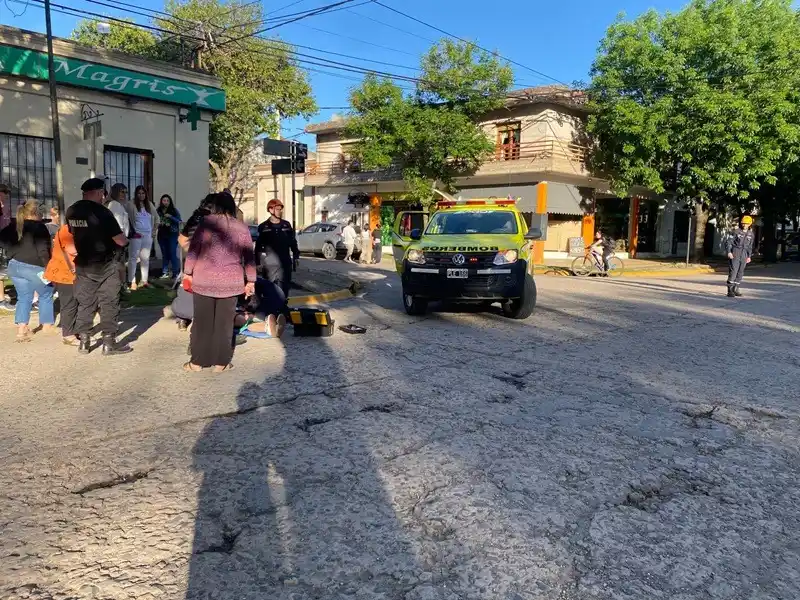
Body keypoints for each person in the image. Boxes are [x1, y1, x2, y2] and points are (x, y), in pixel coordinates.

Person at [182, 193, 256, 373]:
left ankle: (197, 362)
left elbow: (193, 251)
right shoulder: (241, 228)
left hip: (204, 281)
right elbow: (249, 257)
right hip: (230, 283)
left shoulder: (205, 224)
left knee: (202, 323)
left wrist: (188, 272)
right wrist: (250, 281)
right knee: (224, 325)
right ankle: (221, 363)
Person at [68, 177, 131, 355]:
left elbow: (72, 234)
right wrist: (126, 242)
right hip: (105, 264)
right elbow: (120, 239)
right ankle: (109, 342)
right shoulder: (102, 212)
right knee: (108, 302)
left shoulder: (72, 210)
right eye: (102, 193)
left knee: (85, 303)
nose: (104, 197)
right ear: (98, 192)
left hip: (83, 264)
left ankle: (84, 342)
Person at [0, 200, 54, 342]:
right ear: (36, 213)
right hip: (35, 266)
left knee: (24, 297)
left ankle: (22, 329)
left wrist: (11, 251)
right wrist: (48, 267)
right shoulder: (40, 227)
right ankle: (47, 325)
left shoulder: (14, 225)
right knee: (46, 293)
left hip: (14, 266)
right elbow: (43, 250)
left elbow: (2, 239)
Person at [255, 199, 299, 299]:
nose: (280, 211)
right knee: (270, 291)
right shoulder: (263, 227)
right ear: (271, 210)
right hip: (270, 265)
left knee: (284, 291)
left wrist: (296, 256)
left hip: (285, 264)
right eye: (278, 209)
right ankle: (272, 312)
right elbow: (258, 247)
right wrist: (258, 263)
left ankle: (283, 312)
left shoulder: (286, 225)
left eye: (281, 209)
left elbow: (293, 242)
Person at [44, 220, 79, 346]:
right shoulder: (67, 230)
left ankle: (73, 331)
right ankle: (68, 335)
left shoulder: (71, 229)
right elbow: (73, 250)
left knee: (73, 302)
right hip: (64, 272)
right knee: (69, 303)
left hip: (67, 272)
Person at [128, 185, 156, 290]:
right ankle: (132, 281)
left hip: (147, 235)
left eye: (143, 193)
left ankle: (144, 281)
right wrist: (132, 232)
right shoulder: (131, 204)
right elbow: (127, 218)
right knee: (133, 258)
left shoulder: (149, 204)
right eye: (139, 193)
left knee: (145, 258)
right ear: (136, 194)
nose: (141, 195)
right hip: (136, 235)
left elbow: (157, 218)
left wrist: (154, 231)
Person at [726, 215, 756, 297]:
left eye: (746, 224)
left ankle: (736, 289)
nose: (744, 225)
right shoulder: (736, 231)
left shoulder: (751, 234)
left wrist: (749, 256)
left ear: (749, 224)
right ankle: (730, 290)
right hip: (736, 252)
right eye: (743, 223)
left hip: (744, 254)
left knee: (740, 272)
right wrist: (729, 252)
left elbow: (750, 246)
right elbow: (729, 242)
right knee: (733, 271)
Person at [156, 194, 182, 279]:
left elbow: (179, 221)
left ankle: (175, 273)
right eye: (164, 200)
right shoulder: (158, 210)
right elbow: (154, 220)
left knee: (172, 253)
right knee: (165, 254)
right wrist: (159, 224)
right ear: (161, 201)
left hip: (172, 234)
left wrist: (171, 217)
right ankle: (165, 272)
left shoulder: (174, 210)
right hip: (162, 235)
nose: (166, 202)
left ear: (170, 202)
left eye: (167, 200)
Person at [0, 183, 13, 311]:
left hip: (5, 239)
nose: (6, 196)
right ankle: (1, 299)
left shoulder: (5, 206)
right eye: (5, 193)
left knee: (4, 270)